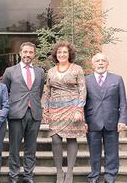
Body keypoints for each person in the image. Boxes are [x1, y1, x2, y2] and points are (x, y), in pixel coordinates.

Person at [42, 41, 87, 183]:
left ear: (69, 54)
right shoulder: (50, 71)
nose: (62, 54)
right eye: (59, 52)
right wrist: (45, 109)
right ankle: (59, 171)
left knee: (71, 138)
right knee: (55, 139)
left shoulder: (77, 69)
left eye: (65, 52)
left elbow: (82, 90)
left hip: (73, 109)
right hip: (55, 109)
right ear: (56, 54)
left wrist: (79, 109)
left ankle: (69, 172)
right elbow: (47, 91)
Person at [2, 42, 45, 183]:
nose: (27, 55)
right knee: (14, 147)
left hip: (34, 113)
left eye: (30, 52)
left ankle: (28, 176)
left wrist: (34, 105)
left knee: (31, 148)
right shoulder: (10, 71)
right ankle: (14, 176)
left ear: (34, 54)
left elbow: (38, 92)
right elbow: (4, 92)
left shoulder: (40, 72)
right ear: (20, 53)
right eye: (25, 52)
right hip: (16, 114)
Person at [84, 53, 127, 183]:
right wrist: (83, 121)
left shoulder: (117, 79)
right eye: (97, 61)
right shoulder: (86, 80)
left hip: (112, 122)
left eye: (103, 61)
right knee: (94, 152)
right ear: (93, 64)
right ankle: (94, 176)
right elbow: (82, 103)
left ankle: (110, 177)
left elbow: (123, 102)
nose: (100, 63)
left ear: (107, 64)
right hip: (92, 122)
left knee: (112, 152)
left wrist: (123, 120)